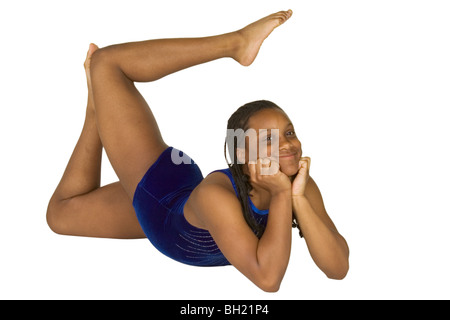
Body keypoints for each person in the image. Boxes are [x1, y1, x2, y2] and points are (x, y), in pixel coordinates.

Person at [47, 10, 349, 292]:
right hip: (160, 194)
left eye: (289, 132)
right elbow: (267, 278)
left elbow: (337, 268)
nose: (287, 144)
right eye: (268, 139)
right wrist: (284, 196)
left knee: (60, 215)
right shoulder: (215, 196)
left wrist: (296, 196)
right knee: (106, 63)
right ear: (243, 154)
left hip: (177, 208)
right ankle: (235, 43)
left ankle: (97, 111)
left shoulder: (299, 187)